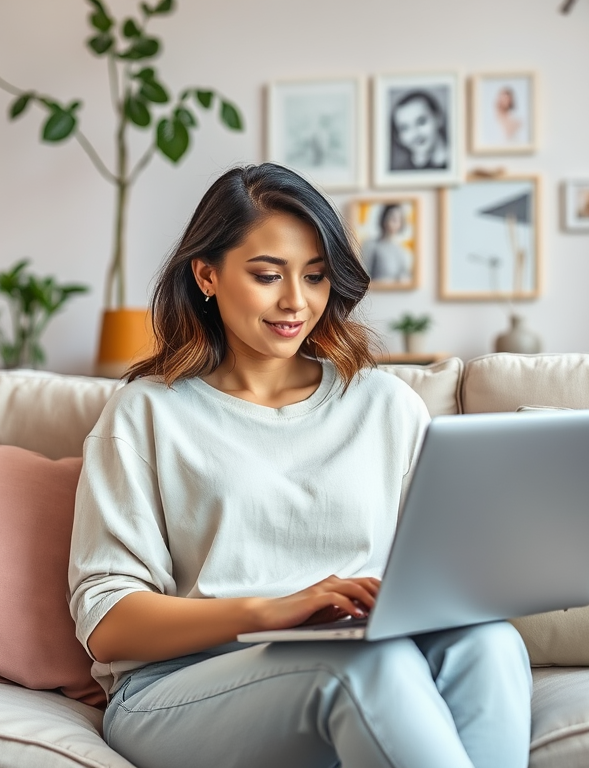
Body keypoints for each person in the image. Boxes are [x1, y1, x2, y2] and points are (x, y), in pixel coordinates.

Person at [68, 163, 532, 768]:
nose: (297, 302)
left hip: (370, 654)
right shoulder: (147, 413)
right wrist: (275, 610)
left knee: (490, 642)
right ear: (207, 274)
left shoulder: (384, 404)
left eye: (316, 277)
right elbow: (106, 621)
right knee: (365, 664)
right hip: (181, 688)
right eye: (267, 276)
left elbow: (443, 572)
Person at [389, 90, 450, 171]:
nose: (415, 134)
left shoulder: (457, 162)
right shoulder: (400, 171)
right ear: (398, 137)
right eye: (405, 128)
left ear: (438, 118)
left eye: (421, 122)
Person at [361, 203, 413, 283]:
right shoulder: (370, 245)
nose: (395, 222)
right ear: (384, 218)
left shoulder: (401, 251)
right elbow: (364, 275)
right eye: (392, 218)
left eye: (398, 219)